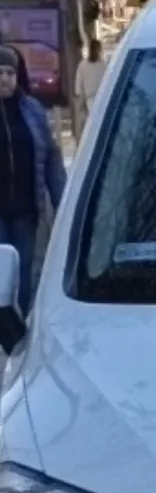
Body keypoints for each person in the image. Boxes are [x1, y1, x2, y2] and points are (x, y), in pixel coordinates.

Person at [0, 46, 66, 314]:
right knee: (2, 272)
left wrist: (62, 202)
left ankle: (22, 323)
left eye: (9, 73)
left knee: (25, 269)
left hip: (27, 209)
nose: (4, 79)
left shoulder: (32, 110)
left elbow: (50, 158)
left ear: (18, 77)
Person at [74, 18, 109, 140]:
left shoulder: (83, 65)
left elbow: (79, 88)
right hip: (101, 99)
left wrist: (80, 103)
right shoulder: (103, 65)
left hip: (91, 100)